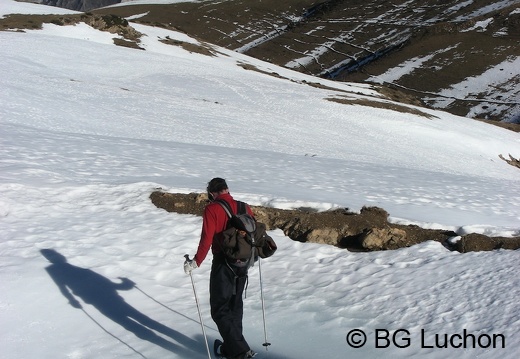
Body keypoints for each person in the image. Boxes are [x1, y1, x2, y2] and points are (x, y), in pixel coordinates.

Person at [184, 178, 256, 359]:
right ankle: (230, 350)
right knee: (235, 305)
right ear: (227, 189)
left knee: (219, 308)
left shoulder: (212, 209)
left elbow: (206, 239)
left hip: (223, 263)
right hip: (243, 263)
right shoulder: (244, 207)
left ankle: (241, 352)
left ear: (212, 193)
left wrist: (196, 261)